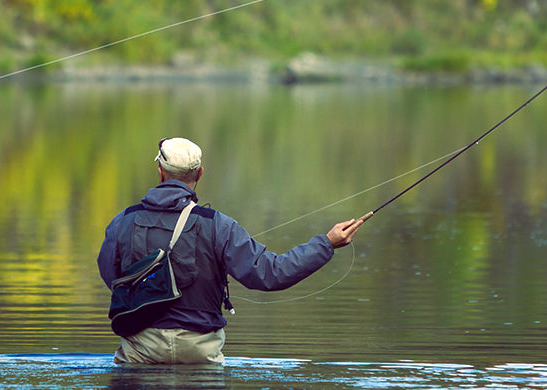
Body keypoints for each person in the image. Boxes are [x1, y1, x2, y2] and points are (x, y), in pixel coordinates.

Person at [97, 137, 364, 365]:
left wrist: (147, 296)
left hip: (142, 346)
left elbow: (112, 276)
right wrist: (326, 243)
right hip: (200, 349)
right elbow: (271, 274)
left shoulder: (124, 221)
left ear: (160, 172)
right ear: (200, 173)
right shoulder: (218, 225)